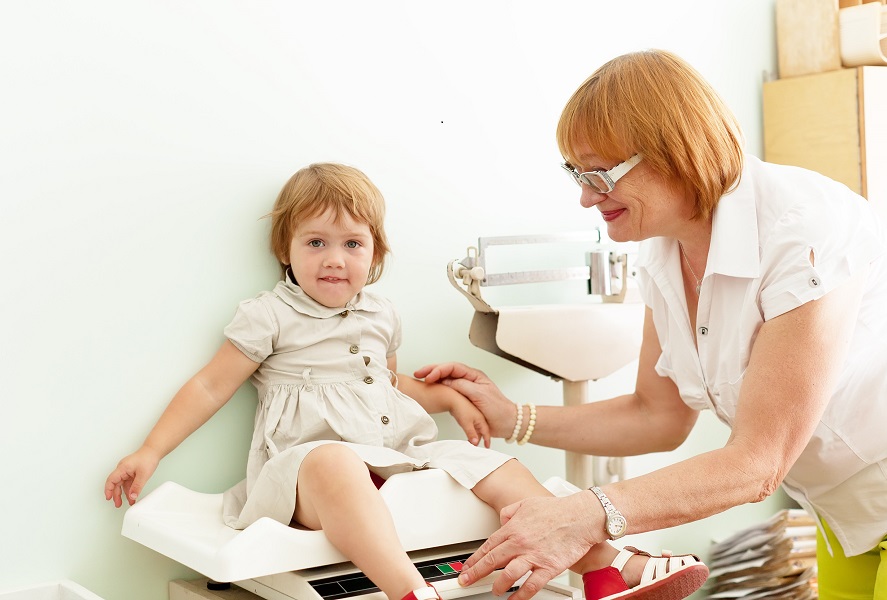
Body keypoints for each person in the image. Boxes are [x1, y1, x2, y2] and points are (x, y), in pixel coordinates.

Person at [103, 162, 708, 600]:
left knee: (494, 468)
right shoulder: (270, 315)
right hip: (304, 470)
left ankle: (604, 568)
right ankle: (409, 594)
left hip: (394, 453)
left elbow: (385, 387)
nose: (334, 258)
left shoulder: (379, 314)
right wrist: (150, 451)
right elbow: (211, 386)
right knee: (333, 461)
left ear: (376, 254)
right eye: (315, 242)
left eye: (351, 244)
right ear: (285, 250)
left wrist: (445, 396)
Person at [416, 48, 887, 600]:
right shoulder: (663, 252)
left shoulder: (803, 227)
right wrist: (508, 417)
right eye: (576, 172)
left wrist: (586, 516)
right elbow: (656, 415)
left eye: (598, 173)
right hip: (844, 515)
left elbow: (758, 462)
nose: (586, 196)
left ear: (675, 150)